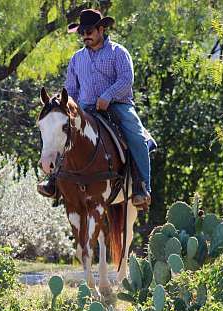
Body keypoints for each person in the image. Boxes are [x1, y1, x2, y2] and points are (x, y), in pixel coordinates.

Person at [37, 8, 154, 207]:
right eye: (82, 32)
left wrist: (107, 96)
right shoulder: (77, 59)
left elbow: (127, 79)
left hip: (118, 106)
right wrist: (63, 105)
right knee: (60, 130)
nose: (85, 36)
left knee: (136, 135)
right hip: (84, 108)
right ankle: (54, 181)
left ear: (101, 29)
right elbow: (71, 89)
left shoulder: (118, 52)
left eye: (89, 31)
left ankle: (142, 187)